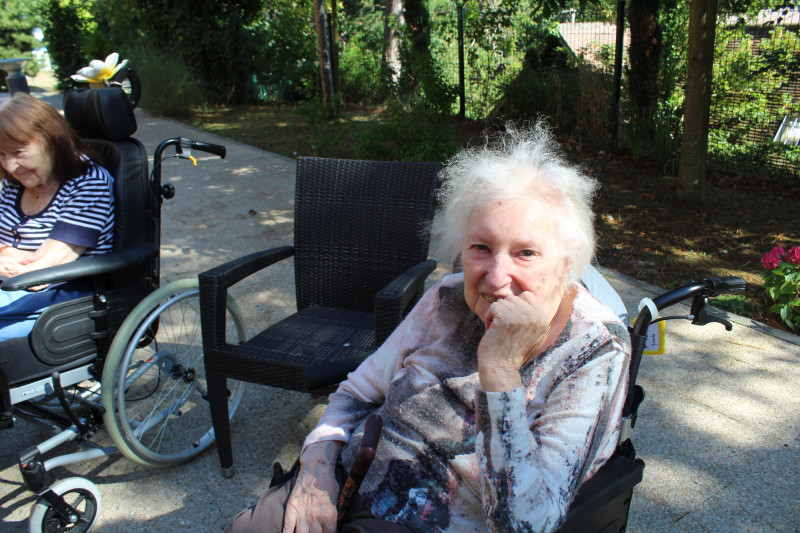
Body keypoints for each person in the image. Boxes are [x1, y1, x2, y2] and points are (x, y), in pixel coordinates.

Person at [227, 123, 631, 533]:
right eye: (480, 248)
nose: (495, 277)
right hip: (346, 481)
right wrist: (314, 473)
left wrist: (501, 373)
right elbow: (356, 392)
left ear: (566, 264)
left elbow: (526, 524)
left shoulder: (595, 349)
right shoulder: (447, 296)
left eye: (525, 252)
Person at [0, 93, 115, 342]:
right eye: (2, 154)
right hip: (11, 287)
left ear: (51, 141)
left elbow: (42, 272)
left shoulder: (88, 182)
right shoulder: (15, 181)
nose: (10, 166)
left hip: (62, 295)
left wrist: (6, 254)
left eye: (18, 152)